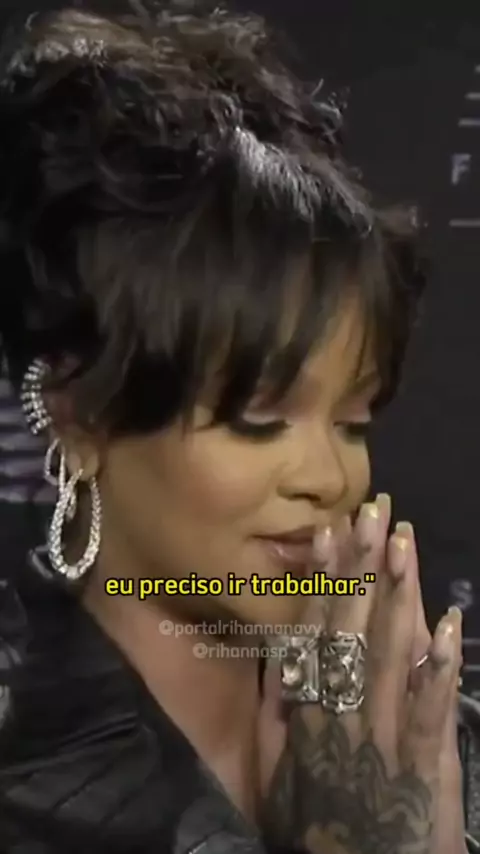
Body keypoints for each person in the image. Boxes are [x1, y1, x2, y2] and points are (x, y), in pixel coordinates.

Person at [0, 2, 473, 852]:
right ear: (80, 416)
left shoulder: (440, 750)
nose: (329, 478)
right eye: (260, 419)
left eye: (352, 421)